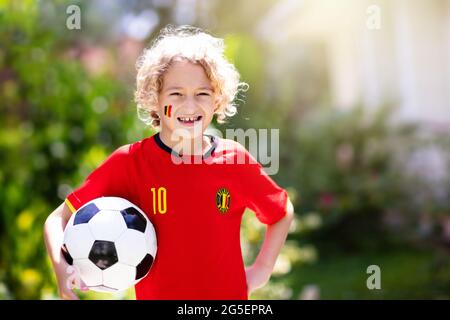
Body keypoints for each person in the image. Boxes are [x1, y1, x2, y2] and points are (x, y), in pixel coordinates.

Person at [44, 25, 294, 300]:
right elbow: (57, 220)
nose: (189, 105)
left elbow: (281, 212)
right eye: (176, 94)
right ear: (155, 99)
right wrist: (61, 269)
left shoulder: (234, 160)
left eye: (202, 93)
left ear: (217, 100)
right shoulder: (129, 163)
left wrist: (262, 269)